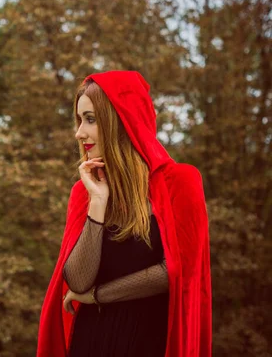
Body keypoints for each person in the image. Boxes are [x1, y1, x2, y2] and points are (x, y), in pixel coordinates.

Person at [36, 71, 212, 357]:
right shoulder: (84, 192)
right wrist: (98, 201)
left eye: (91, 119)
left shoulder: (181, 182)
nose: (79, 132)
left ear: (121, 120)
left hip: (150, 340)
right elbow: (78, 281)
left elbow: (175, 272)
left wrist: (96, 296)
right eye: (80, 120)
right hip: (90, 341)